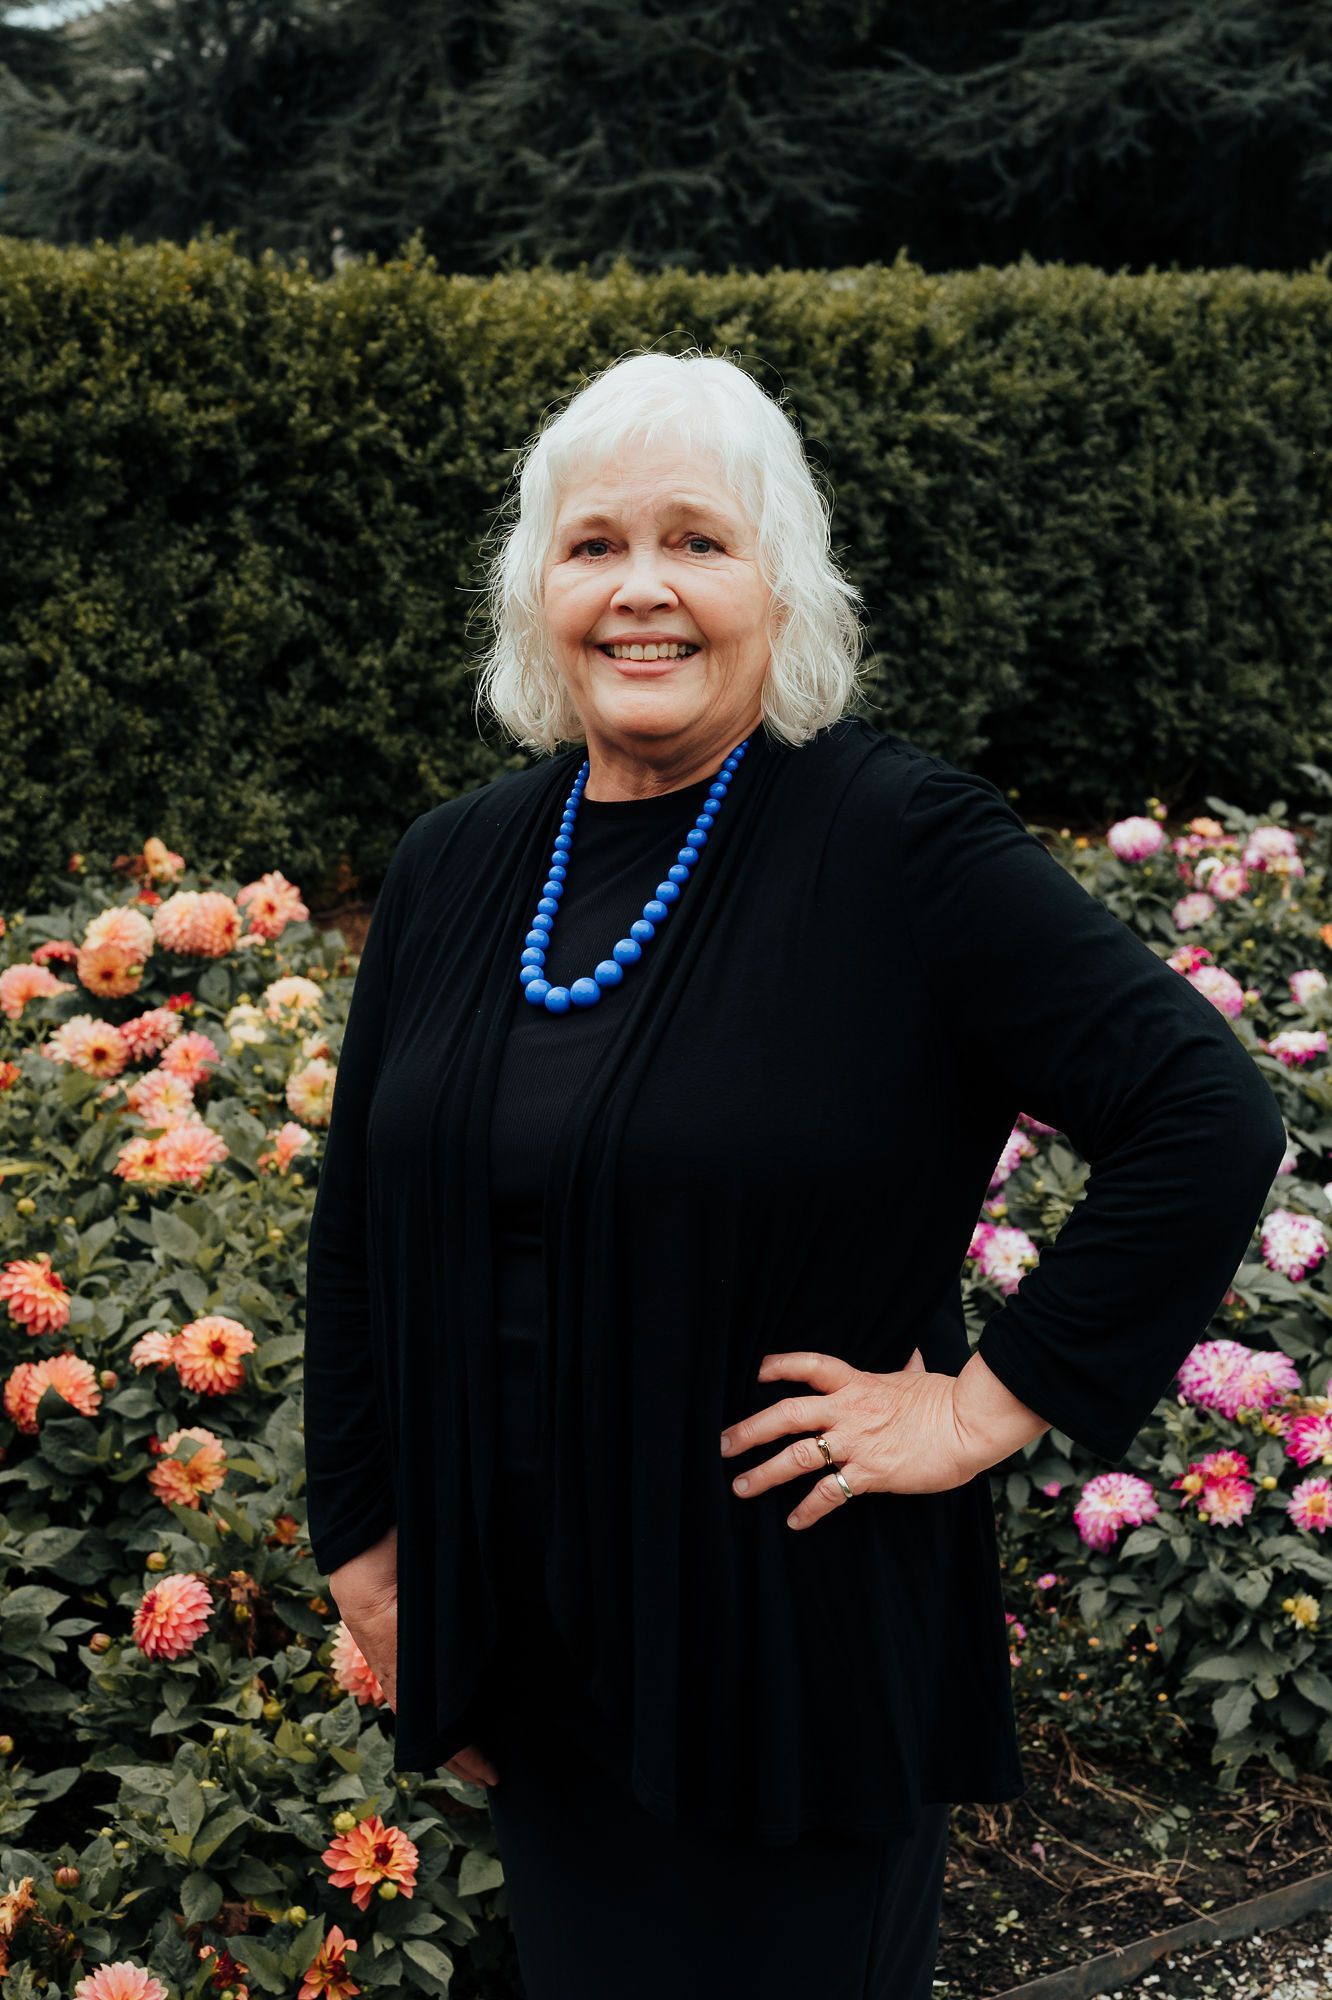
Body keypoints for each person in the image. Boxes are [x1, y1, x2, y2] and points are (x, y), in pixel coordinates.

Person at [303, 349, 1287, 1998]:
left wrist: (982, 1406)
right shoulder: (460, 863)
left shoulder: (896, 846)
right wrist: (369, 1542)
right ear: (535, 588)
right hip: (533, 1654)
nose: (642, 592)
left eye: (698, 541)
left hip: (788, 1657)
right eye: (594, 544)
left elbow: (1204, 1113)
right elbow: (362, 1225)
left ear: (782, 583)